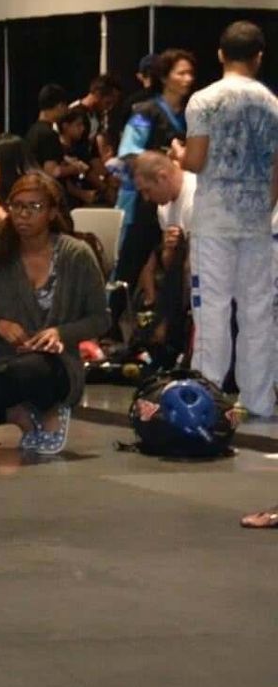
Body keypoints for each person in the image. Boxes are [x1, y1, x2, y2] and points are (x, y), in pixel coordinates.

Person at [0, 174, 110, 454]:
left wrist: (61, 332)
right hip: (1, 365)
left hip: (56, 366)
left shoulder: (76, 255)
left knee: (29, 370)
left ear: (52, 212)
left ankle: (49, 410)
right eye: (17, 206)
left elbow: (101, 319)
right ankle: (15, 413)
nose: (23, 214)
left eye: (34, 207)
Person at [182, 21, 278, 418]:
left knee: (212, 312)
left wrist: (178, 155)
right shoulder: (273, 104)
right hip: (257, 221)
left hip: (214, 223)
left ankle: (205, 400)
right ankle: (259, 401)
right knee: (258, 313)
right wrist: (263, 209)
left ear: (221, 54)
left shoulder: (203, 100)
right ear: (259, 57)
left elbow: (196, 160)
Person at [113, 49, 196, 287]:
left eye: (190, 73)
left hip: (179, 196)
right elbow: (128, 152)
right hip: (145, 197)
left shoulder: (193, 113)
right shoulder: (145, 112)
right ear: (164, 77)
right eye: (181, 73)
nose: (187, 79)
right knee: (129, 263)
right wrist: (165, 159)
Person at [132, 149, 196, 355]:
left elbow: (194, 267)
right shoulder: (164, 208)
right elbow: (168, 264)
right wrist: (169, 249)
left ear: (162, 177)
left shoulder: (195, 198)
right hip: (182, 279)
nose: (146, 198)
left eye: (147, 190)